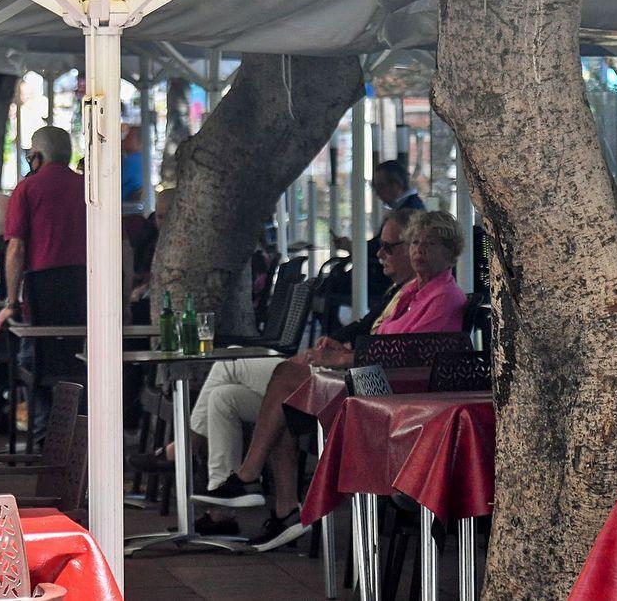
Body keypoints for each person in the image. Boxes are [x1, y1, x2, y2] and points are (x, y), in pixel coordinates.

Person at [187, 210, 466, 549]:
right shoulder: (411, 292)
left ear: (450, 251)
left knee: (279, 376)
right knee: (233, 397)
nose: (419, 249)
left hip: (386, 397)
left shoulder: (444, 296)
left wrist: (344, 357)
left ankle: (230, 470)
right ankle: (284, 509)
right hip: (367, 378)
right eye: (416, 242)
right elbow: (374, 334)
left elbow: (405, 351)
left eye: (429, 243)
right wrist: (343, 350)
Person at [0, 126, 86, 332]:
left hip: (41, 292)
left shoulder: (26, 189)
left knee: (37, 354)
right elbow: (122, 245)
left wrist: (11, 303)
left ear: (37, 156)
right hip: (85, 289)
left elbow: (16, 250)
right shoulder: (88, 187)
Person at [332, 160, 426, 305]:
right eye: (374, 186)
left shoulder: (409, 211)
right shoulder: (406, 206)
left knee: (331, 286)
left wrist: (352, 247)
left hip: (385, 274)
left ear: (396, 185)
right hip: (383, 269)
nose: (376, 192)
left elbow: (384, 246)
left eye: (380, 186)